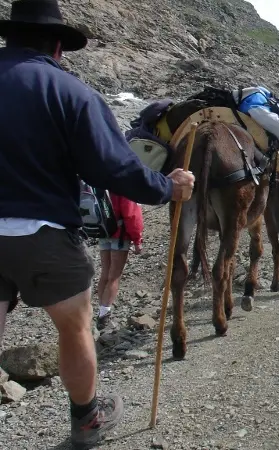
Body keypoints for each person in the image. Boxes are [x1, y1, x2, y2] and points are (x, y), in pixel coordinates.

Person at [0, 0, 195, 448]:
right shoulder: (69, 91)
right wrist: (168, 189)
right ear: (58, 46)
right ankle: (86, 420)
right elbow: (114, 169)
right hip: (42, 234)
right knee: (74, 327)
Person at [95, 194, 144, 330]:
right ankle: (104, 316)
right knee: (114, 276)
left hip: (103, 232)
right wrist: (137, 240)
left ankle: (101, 310)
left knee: (105, 274)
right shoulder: (123, 186)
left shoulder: (101, 182)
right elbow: (131, 215)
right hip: (120, 235)